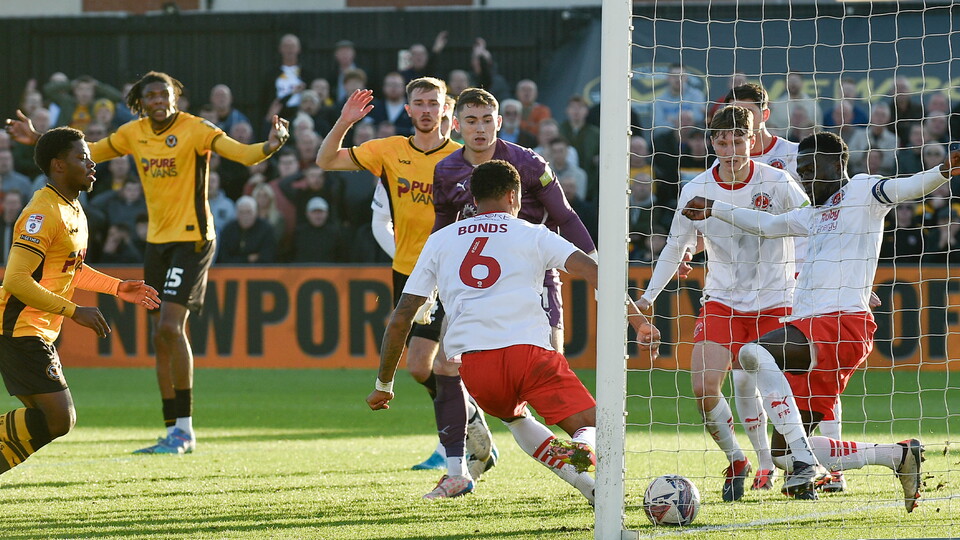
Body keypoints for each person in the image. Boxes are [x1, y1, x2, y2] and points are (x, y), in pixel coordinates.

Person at [7, 70, 290, 454]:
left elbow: (241, 153)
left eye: (165, 94)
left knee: (170, 329)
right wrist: (40, 140)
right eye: (151, 96)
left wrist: (269, 145)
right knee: (159, 336)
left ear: (176, 97)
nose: (159, 101)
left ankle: (184, 430)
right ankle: (173, 429)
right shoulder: (130, 135)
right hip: (156, 243)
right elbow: (84, 150)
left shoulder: (196, 128)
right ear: (141, 102)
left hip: (192, 239)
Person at [680, 131, 953, 508]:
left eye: (810, 169)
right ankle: (898, 455)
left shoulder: (863, 191)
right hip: (814, 331)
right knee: (784, 454)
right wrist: (715, 207)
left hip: (841, 323)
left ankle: (806, 464)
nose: (805, 179)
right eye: (801, 172)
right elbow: (765, 225)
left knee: (752, 354)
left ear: (836, 164)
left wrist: (944, 170)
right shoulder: (813, 212)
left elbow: (908, 187)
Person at [366, 159, 660, 501]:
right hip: (529, 354)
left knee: (515, 418)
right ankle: (582, 450)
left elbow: (402, 316)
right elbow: (594, 272)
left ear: (474, 200)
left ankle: (591, 491)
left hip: (476, 370)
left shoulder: (440, 241)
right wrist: (638, 321)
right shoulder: (533, 233)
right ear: (513, 195)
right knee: (598, 427)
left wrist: (383, 385)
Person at [316, 78, 496, 473]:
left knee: (442, 362)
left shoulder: (466, 155)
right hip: (409, 273)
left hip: (455, 273)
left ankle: (453, 447)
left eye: (434, 102)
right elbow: (326, 160)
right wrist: (344, 121)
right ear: (409, 110)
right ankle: (468, 421)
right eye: (420, 103)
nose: (427, 110)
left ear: (446, 109)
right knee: (419, 367)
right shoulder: (389, 151)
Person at [638, 106, 810, 502]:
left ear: (753, 140)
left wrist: (817, 278)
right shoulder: (696, 189)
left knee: (777, 392)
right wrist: (648, 296)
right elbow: (675, 246)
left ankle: (797, 463)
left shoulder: (778, 181)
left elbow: (811, 225)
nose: (731, 149)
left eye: (739, 140)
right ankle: (737, 459)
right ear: (710, 142)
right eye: (722, 141)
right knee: (702, 387)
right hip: (723, 301)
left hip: (775, 301)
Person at [431, 88, 598, 484]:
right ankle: (579, 466)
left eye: (487, 120)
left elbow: (565, 216)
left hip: (534, 282)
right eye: (471, 121)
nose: (479, 129)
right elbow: (442, 227)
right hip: (476, 291)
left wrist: (596, 266)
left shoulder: (527, 162)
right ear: (456, 125)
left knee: (547, 370)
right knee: (474, 383)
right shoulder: (446, 170)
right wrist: (436, 283)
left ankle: (581, 461)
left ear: (499, 122)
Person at [0, 127, 159, 477]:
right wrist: (74, 311)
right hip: (19, 327)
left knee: (50, 420)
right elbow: (15, 279)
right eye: (81, 156)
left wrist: (117, 288)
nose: (91, 163)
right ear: (58, 165)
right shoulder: (41, 212)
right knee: (60, 418)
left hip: (38, 329)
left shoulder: (73, 210)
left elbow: (71, 268)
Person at [217, 196, 276, 264]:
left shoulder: (266, 229)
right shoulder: (228, 230)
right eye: (241, 212)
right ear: (236, 214)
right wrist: (248, 258)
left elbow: (267, 257)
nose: (245, 216)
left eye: (249, 212)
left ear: (255, 213)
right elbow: (224, 259)